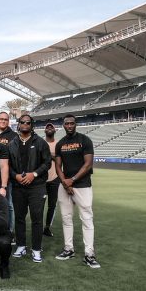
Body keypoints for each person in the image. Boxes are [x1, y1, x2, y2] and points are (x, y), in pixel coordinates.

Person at [54, 114, 99, 268]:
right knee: (66, 219)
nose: (69, 126)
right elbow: (58, 166)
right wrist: (65, 183)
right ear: (63, 125)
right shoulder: (60, 144)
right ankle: (68, 249)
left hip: (83, 185)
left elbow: (88, 164)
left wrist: (72, 180)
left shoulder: (85, 140)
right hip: (65, 186)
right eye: (67, 123)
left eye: (72, 123)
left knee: (87, 219)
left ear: (76, 124)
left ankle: (89, 254)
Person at [7, 114, 52, 262]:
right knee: (19, 217)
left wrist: (34, 174)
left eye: (28, 122)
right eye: (22, 122)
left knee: (36, 218)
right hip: (18, 186)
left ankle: (36, 249)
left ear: (32, 125)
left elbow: (47, 163)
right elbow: (8, 166)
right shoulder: (12, 143)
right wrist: (16, 176)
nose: (25, 124)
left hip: (37, 186)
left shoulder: (40, 142)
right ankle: (21, 245)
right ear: (18, 125)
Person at [42, 122, 60, 237]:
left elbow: (60, 160)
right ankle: (38, 227)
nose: (49, 128)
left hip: (55, 179)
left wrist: (49, 155)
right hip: (41, 180)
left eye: (51, 127)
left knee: (52, 206)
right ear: (44, 131)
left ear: (55, 130)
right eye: (47, 127)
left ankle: (47, 227)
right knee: (39, 206)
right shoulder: (40, 143)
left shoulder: (59, 144)